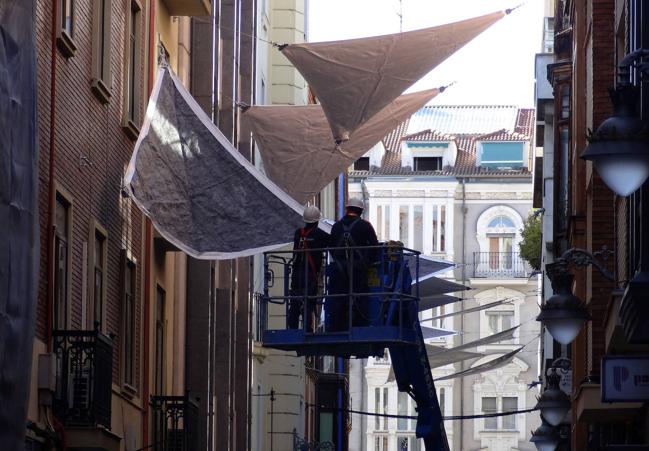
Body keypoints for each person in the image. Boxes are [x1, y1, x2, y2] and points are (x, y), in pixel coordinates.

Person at [328, 197, 378, 330]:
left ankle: (336, 327)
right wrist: (366, 263)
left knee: (338, 298)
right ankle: (359, 326)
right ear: (360, 211)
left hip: (338, 270)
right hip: (358, 270)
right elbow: (375, 247)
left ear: (347, 209)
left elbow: (331, 247)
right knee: (360, 298)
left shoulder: (336, 226)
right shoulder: (365, 226)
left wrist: (340, 262)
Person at [288, 205, 329, 330]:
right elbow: (332, 242)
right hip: (310, 274)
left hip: (297, 273)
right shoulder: (320, 235)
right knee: (309, 301)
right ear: (317, 221)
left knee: (295, 300)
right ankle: (307, 328)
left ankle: (293, 326)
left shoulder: (298, 233)